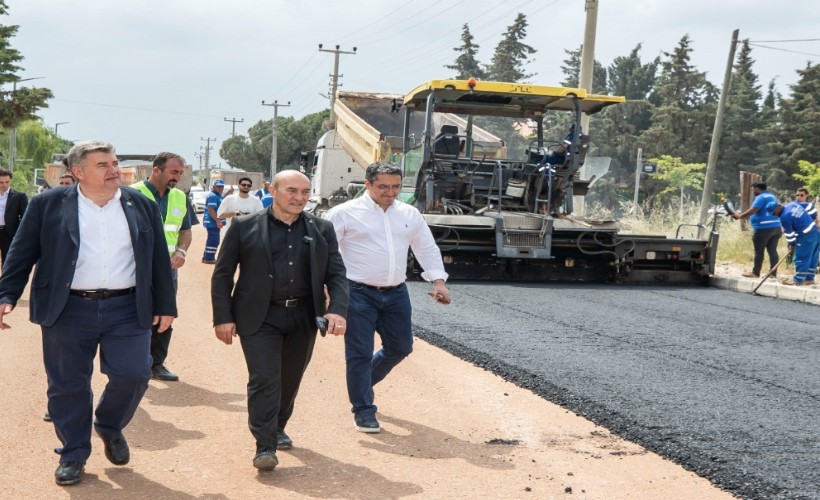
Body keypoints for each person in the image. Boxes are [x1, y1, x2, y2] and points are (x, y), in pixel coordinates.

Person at [0, 140, 176, 486]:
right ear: (77, 172)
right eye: (103, 165)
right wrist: (6, 294)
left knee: (135, 373)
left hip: (127, 306)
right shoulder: (47, 205)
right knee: (68, 385)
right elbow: (21, 253)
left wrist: (166, 305)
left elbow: (157, 258)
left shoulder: (140, 204)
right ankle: (73, 453)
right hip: (67, 308)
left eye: (115, 163)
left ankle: (109, 425)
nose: (114, 170)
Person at [211, 169, 349, 471]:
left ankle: (278, 425)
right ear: (272, 190)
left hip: (303, 315)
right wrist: (223, 317)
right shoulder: (244, 227)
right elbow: (222, 275)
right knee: (265, 378)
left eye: (305, 192)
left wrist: (336, 309)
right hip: (259, 316)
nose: (299, 198)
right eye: (291, 191)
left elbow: (336, 273)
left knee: (290, 378)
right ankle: (264, 445)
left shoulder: (322, 229)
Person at [325, 162, 451, 434]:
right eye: (383, 186)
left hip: (396, 293)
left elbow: (426, 248)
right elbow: (326, 254)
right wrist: (328, 293)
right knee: (358, 353)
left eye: (395, 186)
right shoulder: (343, 213)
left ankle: (362, 383)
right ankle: (364, 410)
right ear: (367, 184)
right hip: (356, 293)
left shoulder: (409, 213)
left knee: (401, 347)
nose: (390, 192)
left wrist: (438, 281)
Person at [132, 152, 197, 382]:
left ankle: (156, 363)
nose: (177, 177)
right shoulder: (132, 194)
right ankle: (134, 363)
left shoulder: (180, 197)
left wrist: (181, 251)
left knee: (165, 314)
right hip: (135, 269)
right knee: (133, 314)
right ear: (156, 170)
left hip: (168, 270)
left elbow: (185, 231)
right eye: (174, 172)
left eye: (180, 173)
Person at [731, 182, 781, 278]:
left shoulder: (760, 197)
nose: (753, 191)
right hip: (776, 227)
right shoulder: (772, 197)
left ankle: (755, 273)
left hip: (763, 228)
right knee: (773, 251)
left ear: (757, 189)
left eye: (753, 189)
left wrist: (740, 216)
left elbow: (754, 209)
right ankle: (773, 274)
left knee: (759, 251)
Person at [769, 201, 820, 285]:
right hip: (815, 232)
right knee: (813, 257)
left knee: (801, 258)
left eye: (773, 212)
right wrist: (813, 218)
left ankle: (798, 280)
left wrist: (792, 245)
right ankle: (809, 278)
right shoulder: (792, 204)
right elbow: (810, 206)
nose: (773, 215)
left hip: (805, 236)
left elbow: (789, 235)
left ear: (778, 208)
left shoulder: (784, 217)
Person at [0, 168, 29, 267]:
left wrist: (19, 234)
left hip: (9, 233)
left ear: (10, 180)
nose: (4, 185)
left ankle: (4, 282)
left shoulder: (19, 196)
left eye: (7, 182)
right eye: (1, 182)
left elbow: (25, 217)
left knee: (7, 261)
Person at [202, 180, 226, 264]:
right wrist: (218, 221)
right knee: (214, 240)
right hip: (212, 222)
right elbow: (211, 209)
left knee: (212, 239)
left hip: (213, 222)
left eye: (222, 186)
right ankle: (209, 258)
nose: (220, 188)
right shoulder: (212, 196)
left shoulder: (217, 195)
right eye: (218, 186)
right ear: (214, 186)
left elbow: (221, 201)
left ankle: (206, 257)